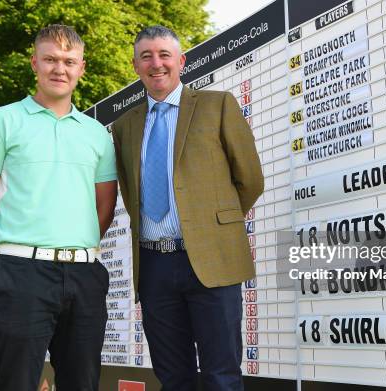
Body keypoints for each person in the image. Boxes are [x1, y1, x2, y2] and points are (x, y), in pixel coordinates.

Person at [0, 24, 117, 391]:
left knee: (84, 383)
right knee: (16, 383)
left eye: (68, 61)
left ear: (82, 67)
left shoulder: (96, 134)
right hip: (20, 274)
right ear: (34, 63)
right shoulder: (1, 121)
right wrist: (7, 254)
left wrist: (73, 246)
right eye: (50, 59)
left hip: (84, 276)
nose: (59, 69)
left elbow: (103, 208)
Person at [111, 25, 264, 391]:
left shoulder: (218, 104)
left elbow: (250, 179)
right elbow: (132, 192)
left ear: (181, 61)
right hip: (154, 267)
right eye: (146, 56)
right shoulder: (124, 126)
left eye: (164, 55)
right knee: (172, 377)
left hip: (212, 261)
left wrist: (209, 226)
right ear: (135, 66)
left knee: (221, 374)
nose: (156, 63)